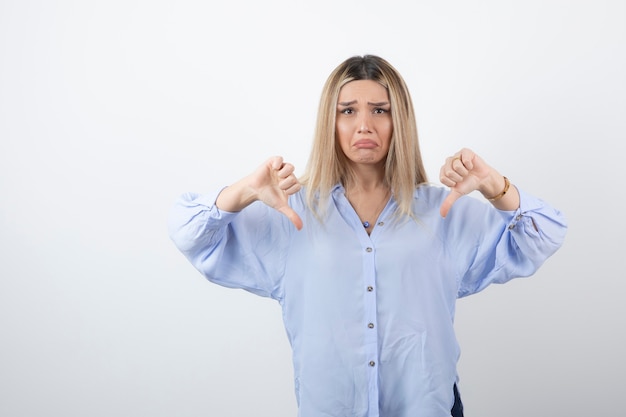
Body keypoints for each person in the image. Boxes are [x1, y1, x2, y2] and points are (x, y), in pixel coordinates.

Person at [167, 55, 567, 417]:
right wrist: (242, 192)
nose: (364, 125)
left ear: (400, 122)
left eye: (380, 110)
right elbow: (189, 234)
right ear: (331, 121)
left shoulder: (442, 211)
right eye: (348, 111)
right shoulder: (292, 213)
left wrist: (496, 186)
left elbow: (545, 234)